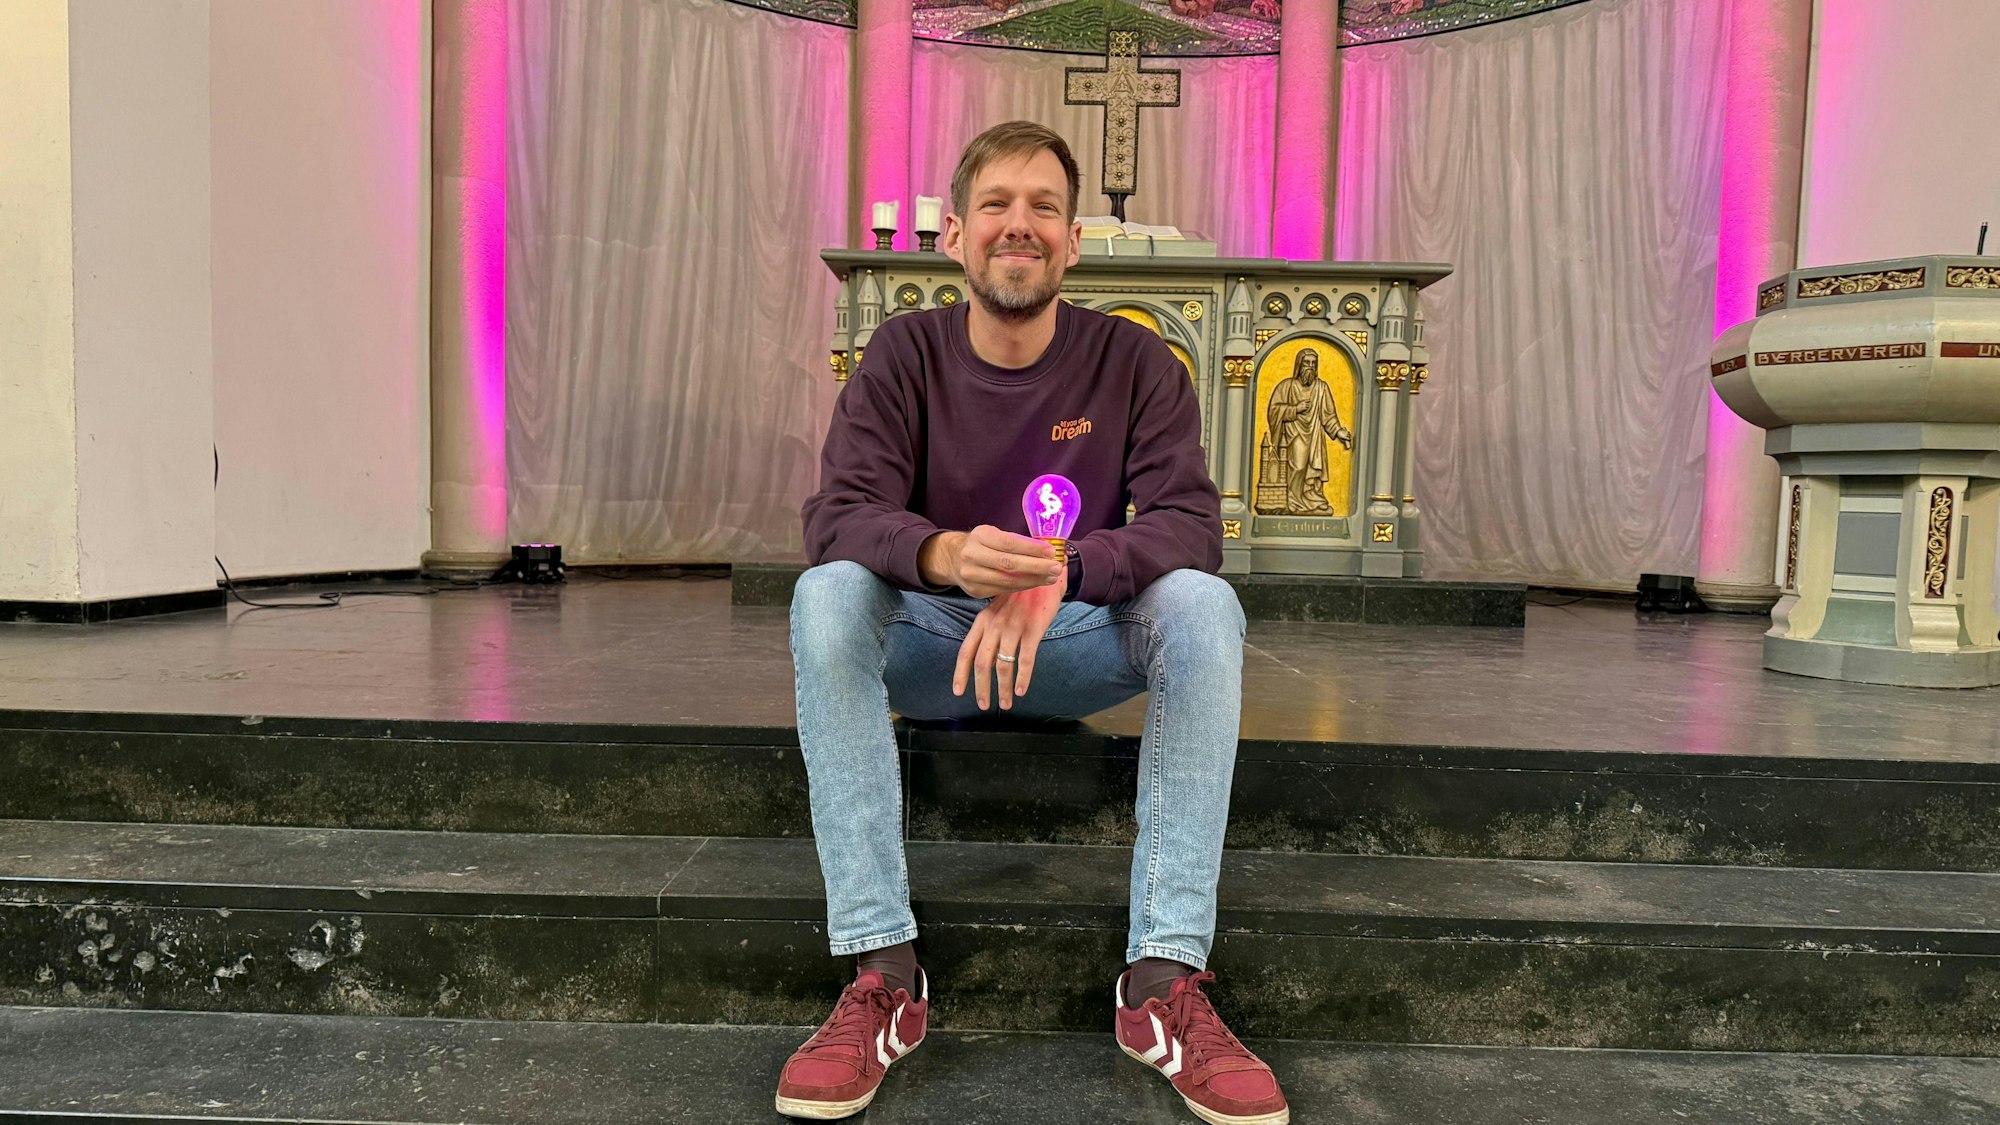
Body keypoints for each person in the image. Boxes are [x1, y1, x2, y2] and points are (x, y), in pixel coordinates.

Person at [777, 120, 1289, 1125]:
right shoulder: (904, 352)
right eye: (997, 205)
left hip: (1075, 643)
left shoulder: (1135, 362)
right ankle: (883, 973)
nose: (1020, 225)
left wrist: (1065, 570)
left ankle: (1160, 979)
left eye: (1044, 207)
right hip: (936, 645)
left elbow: (1190, 524)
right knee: (826, 590)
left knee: (1202, 603)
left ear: (1072, 240)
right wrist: (945, 553)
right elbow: (837, 514)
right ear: (954, 236)